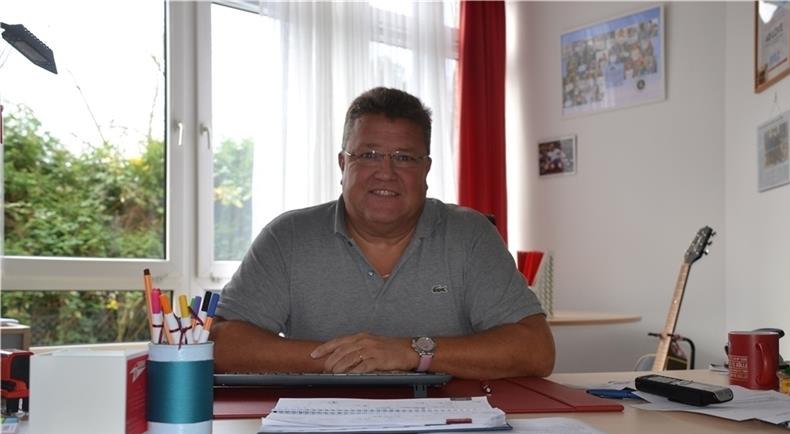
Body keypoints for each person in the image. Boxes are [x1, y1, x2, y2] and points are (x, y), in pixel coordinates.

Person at [211, 87, 555, 380]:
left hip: (451, 430)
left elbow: (536, 350)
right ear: (344, 165)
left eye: (404, 158)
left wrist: (412, 352)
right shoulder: (287, 237)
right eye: (369, 155)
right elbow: (223, 344)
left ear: (426, 170)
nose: (386, 173)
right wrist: (350, 358)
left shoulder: (470, 235)